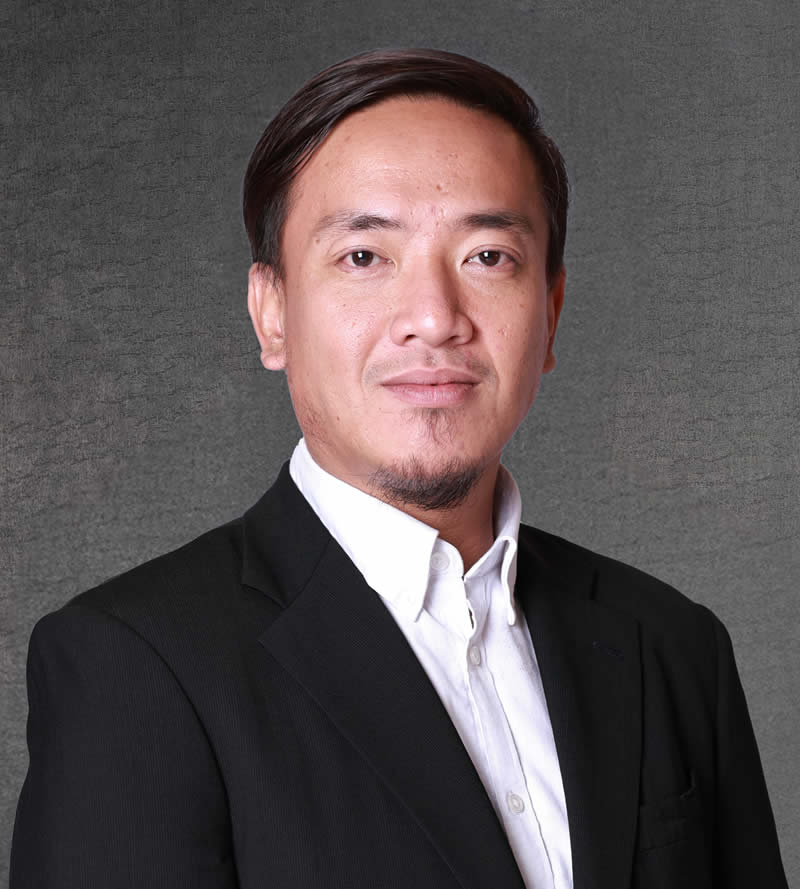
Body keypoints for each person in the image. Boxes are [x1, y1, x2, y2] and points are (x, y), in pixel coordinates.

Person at [9, 48, 787, 889]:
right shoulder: (134, 667)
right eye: (364, 257)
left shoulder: (673, 647)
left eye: (488, 256)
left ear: (552, 312)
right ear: (271, 314)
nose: (434, 317)